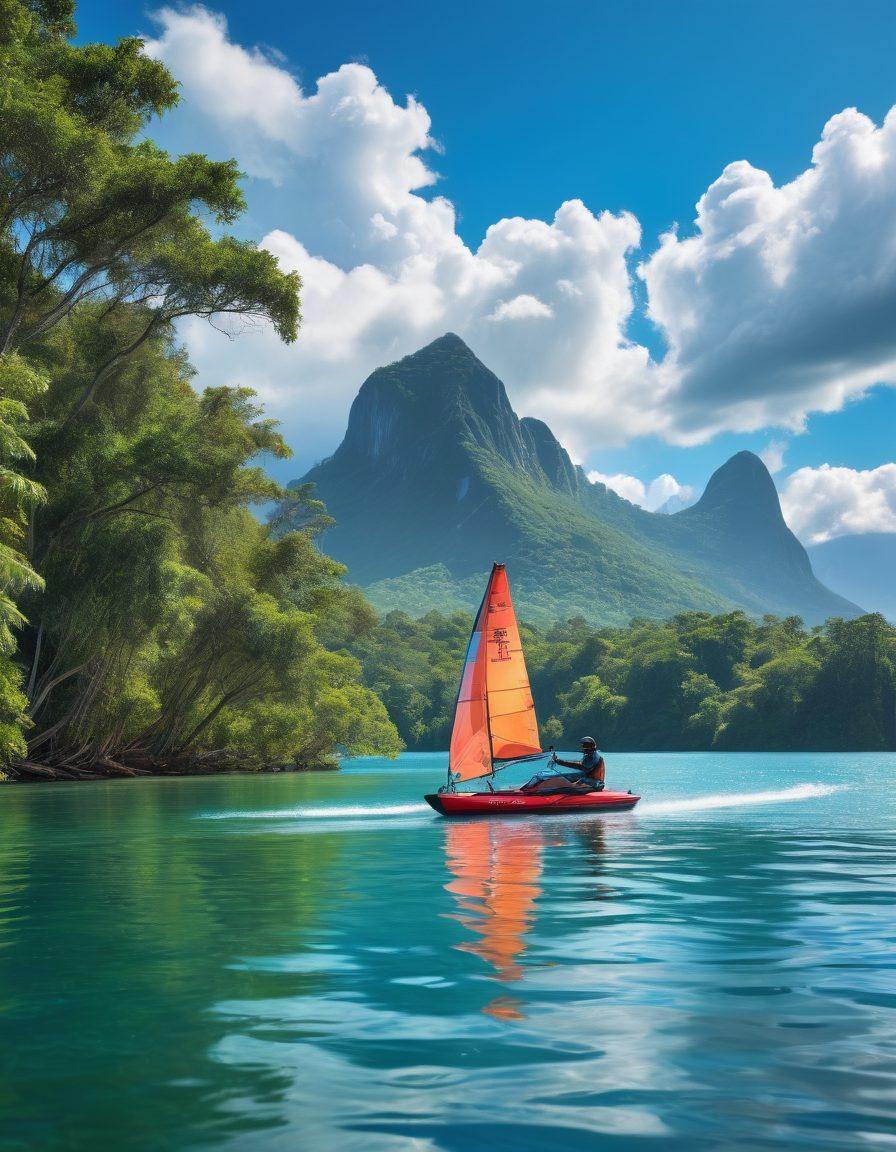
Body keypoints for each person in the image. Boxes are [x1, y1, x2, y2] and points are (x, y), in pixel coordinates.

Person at [520, 737, 606, 794]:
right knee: (565, 777)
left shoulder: (594, 756)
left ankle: (533, 790)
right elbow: (581, 766)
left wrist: (561, 762)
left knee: (565, 780)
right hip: (588, 779)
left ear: (589, 747)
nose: (582, 748)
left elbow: (582, 767)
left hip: (596, 784)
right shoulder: (590, 756)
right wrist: (559, 762)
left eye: (584, 746)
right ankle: (530, 788)